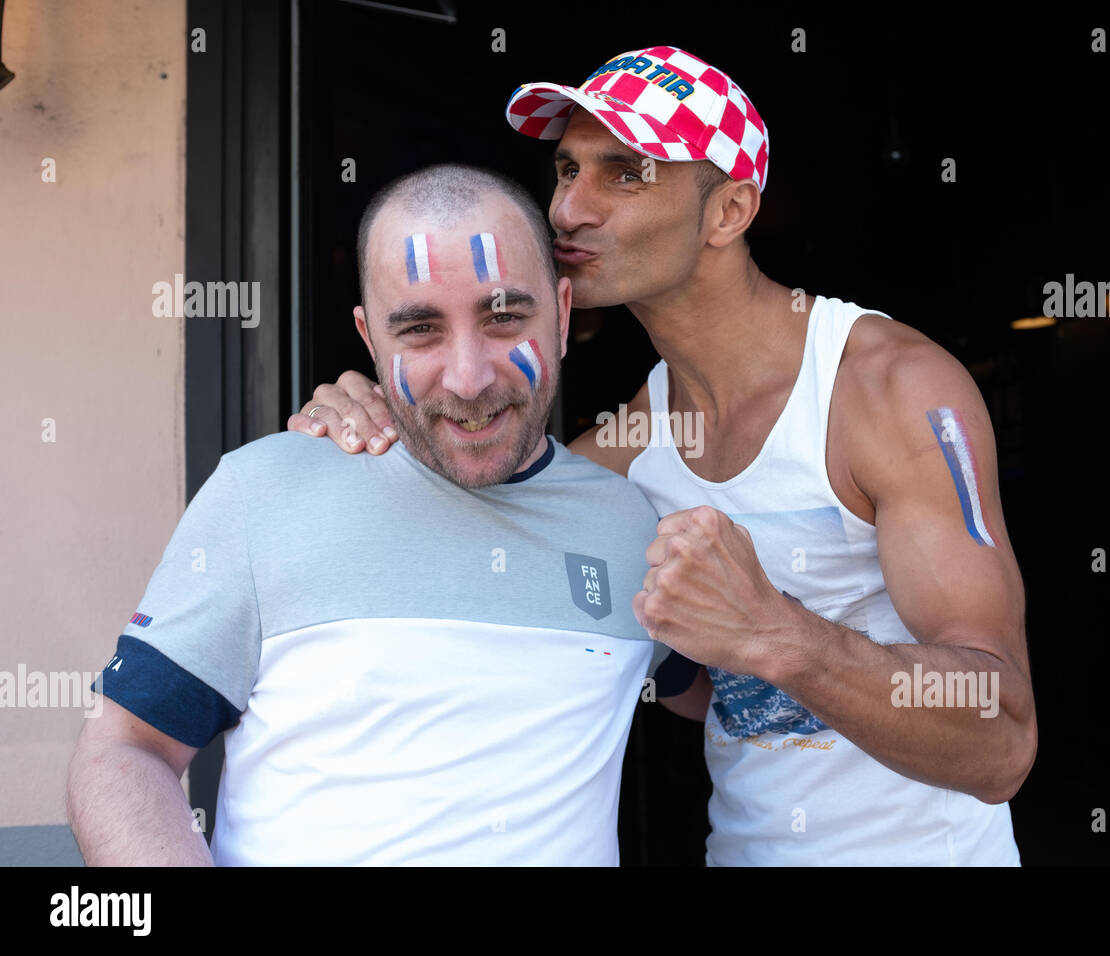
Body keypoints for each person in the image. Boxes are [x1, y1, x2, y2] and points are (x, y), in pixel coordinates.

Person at [290, 46, 1037, 865]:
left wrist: (777, 633)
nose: (567, 209)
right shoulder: (636, 442)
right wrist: (374, 420)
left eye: (624, 174)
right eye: (567, 170)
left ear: (729, 211)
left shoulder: (888, 389)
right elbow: (484, 539)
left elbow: (1002, 740)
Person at [67, 163, 678, 866]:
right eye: (419, 329)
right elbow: (125, 749)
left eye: (505, 317)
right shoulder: (263, 492)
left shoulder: (633, 526)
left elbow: (725, 700)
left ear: (563, 316)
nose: (468, 378)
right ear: (368, 338)